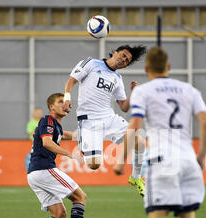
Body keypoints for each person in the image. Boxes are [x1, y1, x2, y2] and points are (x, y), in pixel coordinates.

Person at [113, 47, 206, 218]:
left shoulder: (144, 91)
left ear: (147, 70)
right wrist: (200, 156)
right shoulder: (189, 90)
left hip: (161, 161)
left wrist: (120, 160)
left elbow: (134, 126)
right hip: (188, 160)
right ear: (169, 68)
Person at [63, 45, 147, 197]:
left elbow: (124, 107)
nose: (123, 60)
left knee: (140, 141)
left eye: (127, 60)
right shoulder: (91, 63)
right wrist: (67, 98)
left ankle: (135, 178)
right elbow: (71, 81)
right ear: (115, 52)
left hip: (109, 118)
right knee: (94, 165)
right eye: (123, 55)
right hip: (89, 120)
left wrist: (133, 93)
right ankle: (78, 135)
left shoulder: (117, 79)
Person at [27, 93, 94, 218]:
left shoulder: (55, 125)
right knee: (80, 197)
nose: (65, 105)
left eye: (66, 102)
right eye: (60, 102)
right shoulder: (47, 121)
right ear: (51, 107)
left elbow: (65, 135)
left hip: (34, 174)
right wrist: (71, 155)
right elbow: (47, 142)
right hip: (44, 169)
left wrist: (86, 134)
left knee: (59, 213)